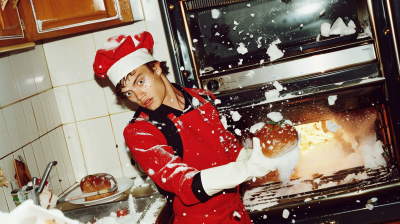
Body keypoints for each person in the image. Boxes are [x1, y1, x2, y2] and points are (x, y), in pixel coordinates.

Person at [93, 31, 277, 224]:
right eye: (129, 93)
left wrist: (258, 156)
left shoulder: (201, 98)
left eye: (140, 81)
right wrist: (247, 170)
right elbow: (186, 184)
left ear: (156, 68)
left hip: (236, 215)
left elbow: (228, 147)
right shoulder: (140, 132)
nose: (139, 96)